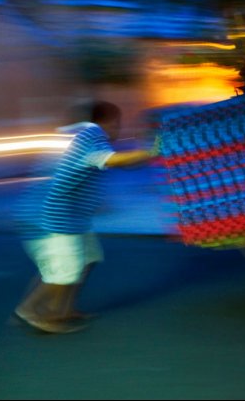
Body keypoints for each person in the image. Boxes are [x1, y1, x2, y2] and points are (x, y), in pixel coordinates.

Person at [13, 100, 158, 334]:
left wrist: (145, 153)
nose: (118, 130)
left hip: (70, 218)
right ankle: (30, 310)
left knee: (87, 260)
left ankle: (63, 308)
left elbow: (118, 163)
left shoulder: (75, 135)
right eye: (118, 124)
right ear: (109, 122)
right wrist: (152, 150)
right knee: (65, 269)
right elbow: (113, 160)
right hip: (52, 219)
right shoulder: (91, 133)